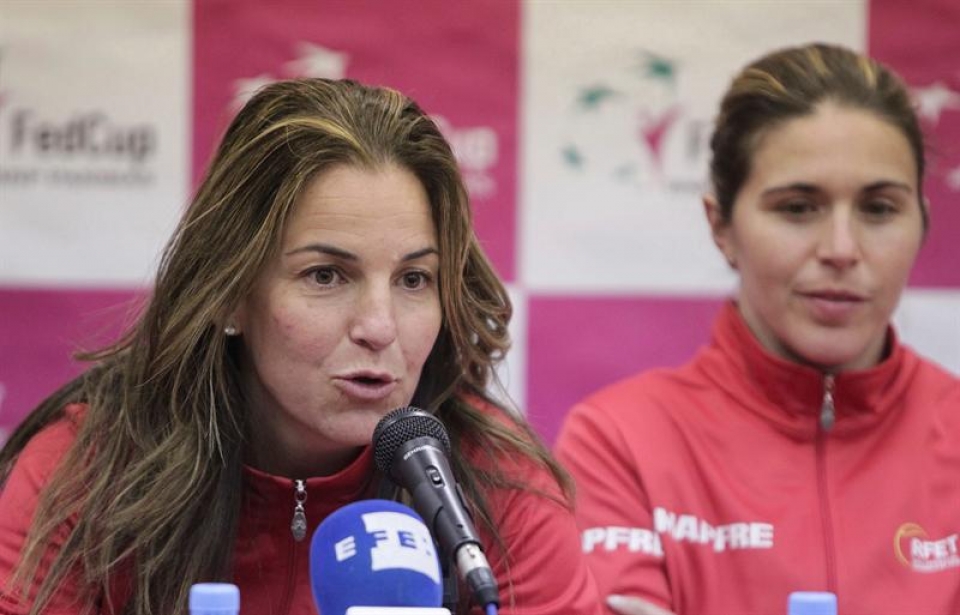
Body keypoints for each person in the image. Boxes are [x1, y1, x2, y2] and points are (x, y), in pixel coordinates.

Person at [0, 78, 602, 615]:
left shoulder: (497, 485)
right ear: (229, 292)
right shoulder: (88, 471)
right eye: (326, 276)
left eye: (413, 279)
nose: (379, 326)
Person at [555, 42, 960, 615]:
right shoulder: (619, 441)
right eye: (798, 208)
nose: (841, 250)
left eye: (878, 209)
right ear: (721, 225)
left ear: (922, 221)